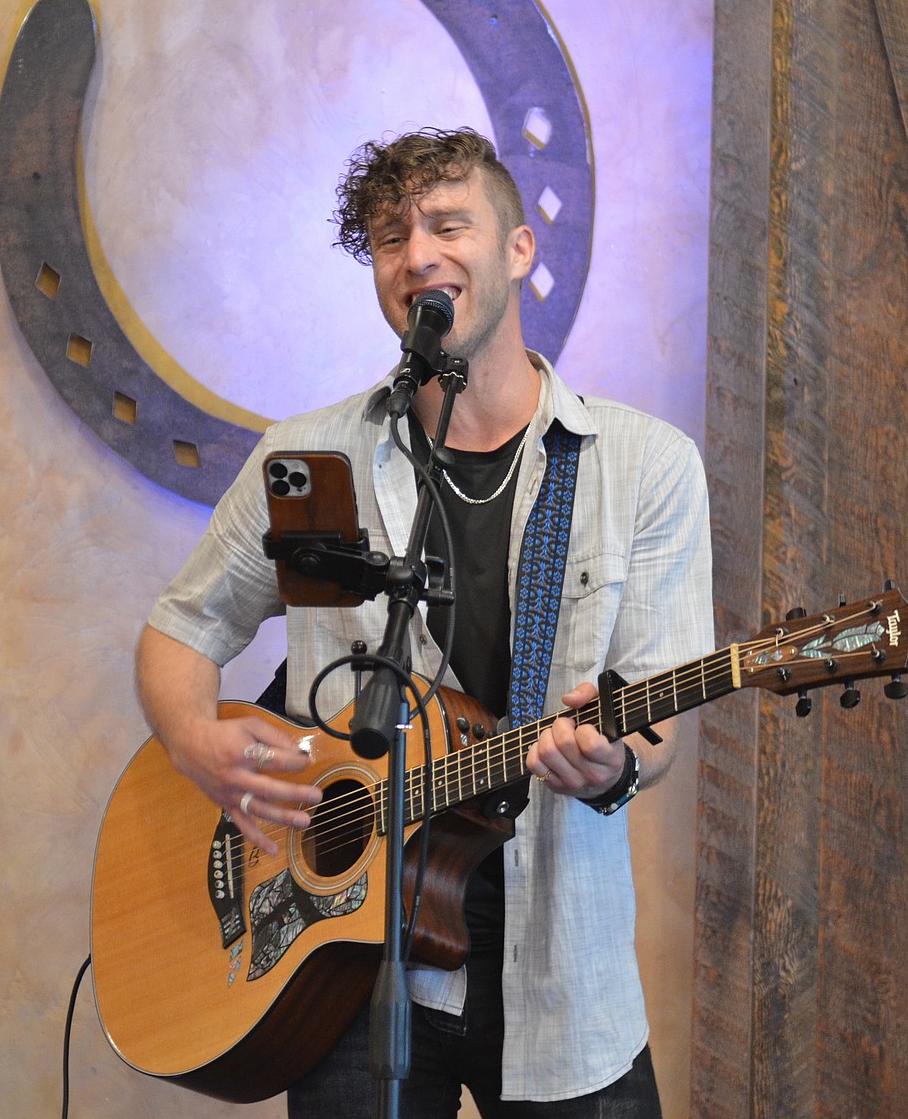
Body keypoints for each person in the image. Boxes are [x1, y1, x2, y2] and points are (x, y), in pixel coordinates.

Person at [135, 128, 714, 1117]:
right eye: (391, 236)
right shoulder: (311, 461)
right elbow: (183, 628)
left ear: (519, 249)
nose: (418, 255)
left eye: (450, 224)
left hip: (558, 969)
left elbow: (656, 713)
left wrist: (615, 764)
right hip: (345, 970)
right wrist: (197, 741)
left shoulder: (642, 465)